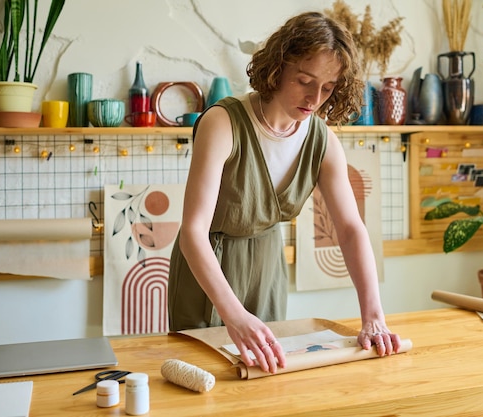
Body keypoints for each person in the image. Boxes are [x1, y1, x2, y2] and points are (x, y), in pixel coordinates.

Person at [168, 11, 402, 374]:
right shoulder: (222, 124)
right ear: (278, 68)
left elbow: (351, 229)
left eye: (327, 88)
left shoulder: (322, 141)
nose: (314, 98)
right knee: (205, 379)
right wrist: (233, 314)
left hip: (267, 268)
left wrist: (373, 316)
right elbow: (192, 232)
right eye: (305, 80)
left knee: (265, 377)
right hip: (209, 268)